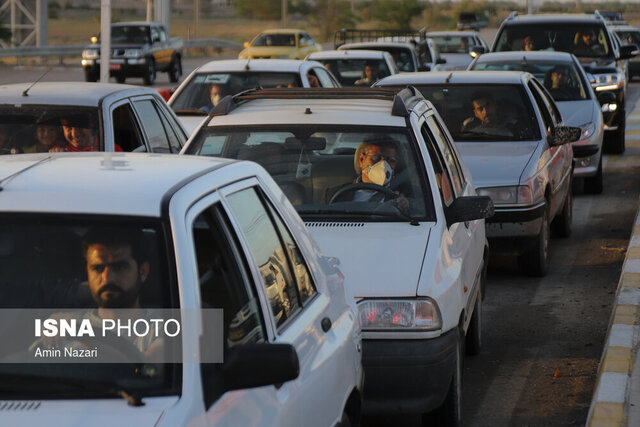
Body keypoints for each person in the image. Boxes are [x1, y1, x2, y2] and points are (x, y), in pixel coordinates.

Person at [34, 228, 161, 357]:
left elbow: (149, 369)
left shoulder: (164, 328)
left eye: (119, 267)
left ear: (143, 271)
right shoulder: (60, 328)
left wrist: (78, 332)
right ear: (88, 272)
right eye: (98, 268)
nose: (107, 278)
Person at [325, 135, 409, 213]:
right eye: (375, 158)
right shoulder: (334, 194)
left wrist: (404, 206)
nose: (383, 165)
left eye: (391, 160)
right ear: (362, 160)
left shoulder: (408, 195)